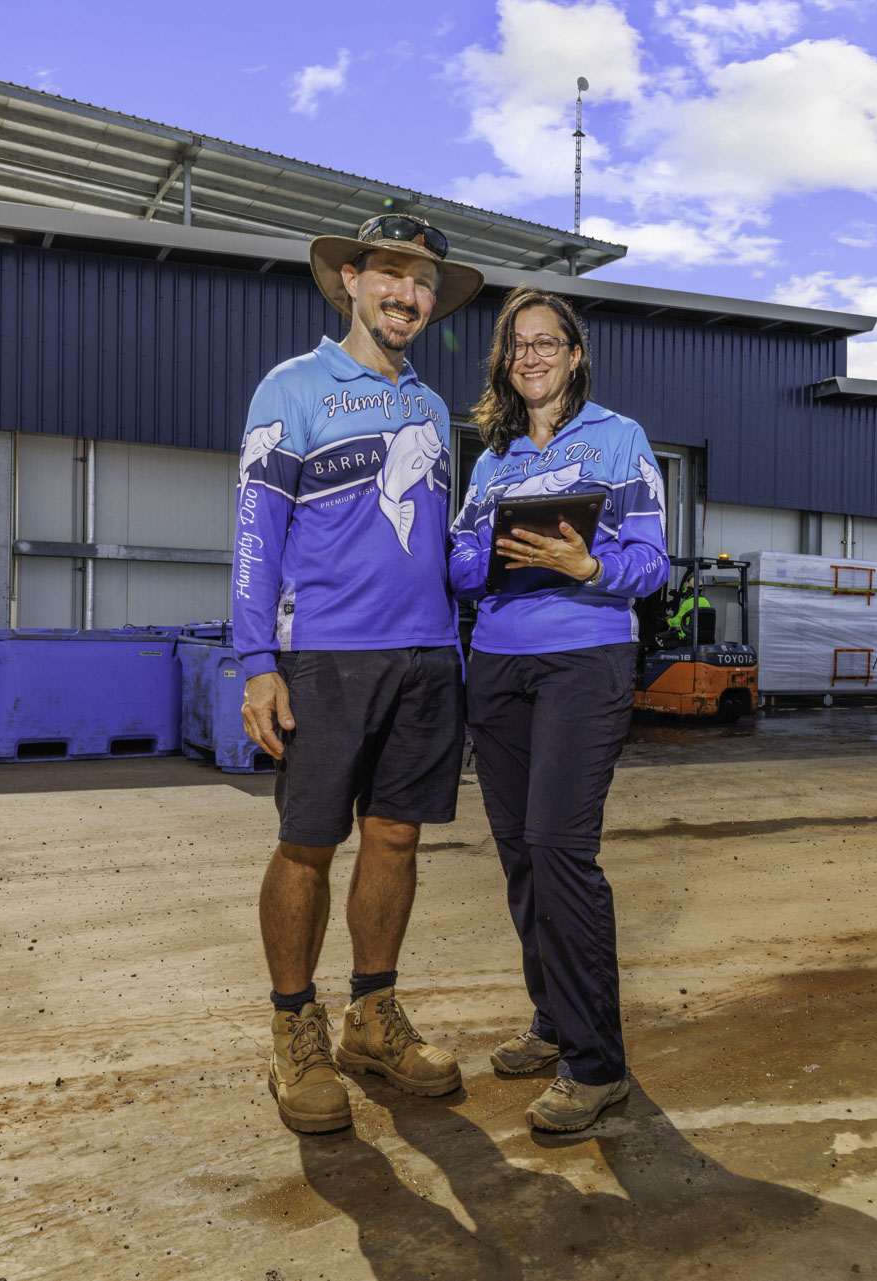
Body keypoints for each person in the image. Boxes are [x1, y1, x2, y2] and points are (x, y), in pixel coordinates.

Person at [232, 213, 484, 1134]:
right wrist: (257, 661)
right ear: (350, 280)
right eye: (390, 274)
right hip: (326, 656)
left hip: (427, 656)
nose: (407, 295)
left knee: (397, 840)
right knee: (307, 842)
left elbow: (430, 541)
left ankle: (371, 1016)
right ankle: (292, 1027)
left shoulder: (432, 408)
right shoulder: (292, 387)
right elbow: (255, 531)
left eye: (423, 284)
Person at [450, 285, 670, 1133]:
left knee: (558, 848)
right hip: (497, 663)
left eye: (547, 342)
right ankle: (554, 1017)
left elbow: (651, 560)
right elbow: (458, 563)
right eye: (517, 345)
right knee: (520, 854)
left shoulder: (619, 440)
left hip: (585, 658)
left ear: (575, 355)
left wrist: (587, 567)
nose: (531, 356)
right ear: (505, 364)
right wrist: (489, 554)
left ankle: (596, 1063)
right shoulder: (494, 459)